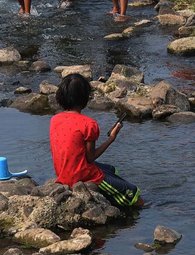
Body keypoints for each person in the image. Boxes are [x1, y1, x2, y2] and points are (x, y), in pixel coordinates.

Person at [50, 73, 144, 207]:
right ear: (85, 98)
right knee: (133, 193)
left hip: (62, 173)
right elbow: (90, 158)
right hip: (79, 176)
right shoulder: (88, 124)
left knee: (110, 169)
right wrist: (112, 137)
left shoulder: (55, 119)